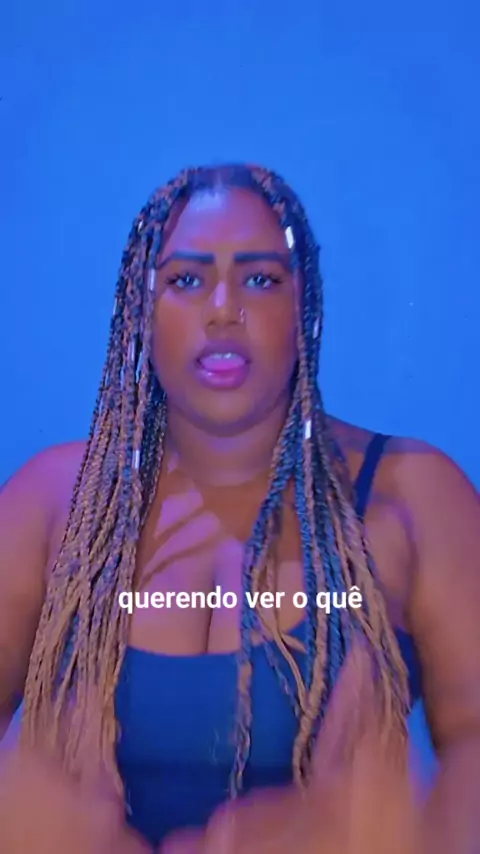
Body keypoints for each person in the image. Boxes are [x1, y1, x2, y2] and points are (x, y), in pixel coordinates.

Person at [0, 162, 479, 854]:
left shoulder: (414, 498)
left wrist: (422, 827)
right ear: (141, 309)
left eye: (260, 279)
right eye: (186, 280)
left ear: (303, 304)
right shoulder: (53, 504)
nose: (224, 309)